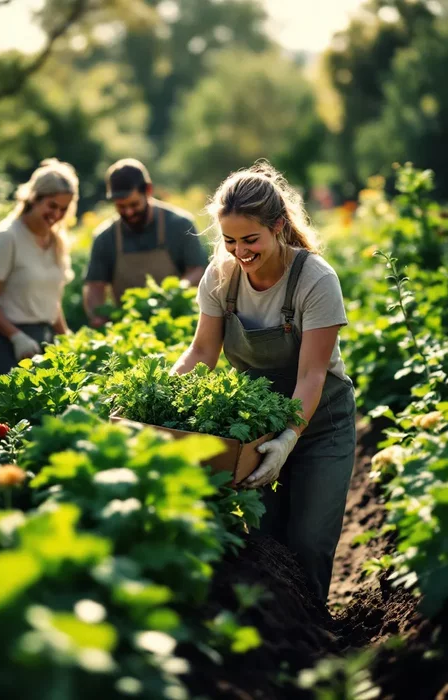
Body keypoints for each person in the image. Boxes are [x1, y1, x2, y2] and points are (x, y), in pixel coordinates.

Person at [171, 162, 356, 604]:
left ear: (277, 227)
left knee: (309, 543)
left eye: (250, 239)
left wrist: (289, 438)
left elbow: (312, 373)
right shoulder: (221, 277)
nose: (240, 251)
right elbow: (201, 354)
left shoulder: (315, 280)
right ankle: (279, 639)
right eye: (230, 240)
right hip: (256, 429)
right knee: (265, 542)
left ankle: (315, 641)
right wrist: (157, 405)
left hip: (320, 426)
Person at [0, 158, 79, 378]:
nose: (57, 215)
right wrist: (16, 337)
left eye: (64, 208)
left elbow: (51, 300)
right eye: (52, 206)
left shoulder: (56, 240)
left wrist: (64, 337)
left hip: (45, 343)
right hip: (7, 345)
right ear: (34, 198)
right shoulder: (7, 237)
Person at [83, 158, 208, 327]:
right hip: (128, 325)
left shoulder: (179, 225)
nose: (128, 212)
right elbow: (95, 286)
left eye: (134, 204)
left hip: (177, 321)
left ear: (148, 190)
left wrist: (172, 294)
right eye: (121, 206)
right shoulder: (105, 237)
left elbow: (198, 270)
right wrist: (99, 317)